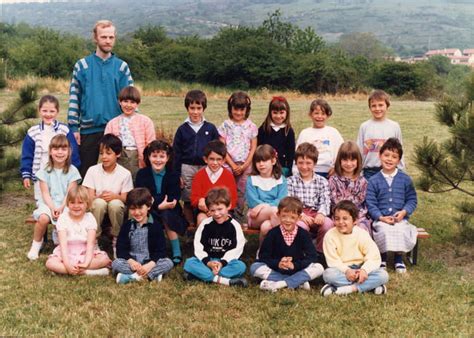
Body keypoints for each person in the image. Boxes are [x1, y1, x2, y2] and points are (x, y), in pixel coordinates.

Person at [68, 20, 134, 178]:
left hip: (116, 129)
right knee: (84, 174)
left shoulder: (121, 67)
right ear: (95, 38)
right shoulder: (82, 66)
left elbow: (131, 99)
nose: (108, 41)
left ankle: (115, 203)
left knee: (117, 176)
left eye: (111, 37)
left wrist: (131, 125)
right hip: (89, 128)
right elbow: (74, 98)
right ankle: (83, 202)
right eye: (104, 37)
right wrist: (74, 128)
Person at [250, 197, 324, 292]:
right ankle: (298, 282)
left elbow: (312, 257)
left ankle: (279, 284)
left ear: (299, 218)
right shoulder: (272, 233)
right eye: (284, 216)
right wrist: (278, 263)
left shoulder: (303, 234)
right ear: (278, 215)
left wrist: (294, 265)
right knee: (254, 267)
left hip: (296, 268)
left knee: (319, 267)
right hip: (277, 269)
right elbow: (263, 256)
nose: (288, 220)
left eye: (292, 217)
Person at [366, 138, 417, 273]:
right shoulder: (373, 180)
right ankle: (382, 257)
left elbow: (412, 200)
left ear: (399, 160)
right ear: (380, 156)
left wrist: (404, 212)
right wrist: (380, 217)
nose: (389, 159)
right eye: (386, 155)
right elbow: (371, 203)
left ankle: (398, 259)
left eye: (394, 157)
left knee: (400, 229)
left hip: (400, 219)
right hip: (381, 219)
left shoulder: (405, 179)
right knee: (382, 230)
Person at [27, 135, 82, 260]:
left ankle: (61, 238)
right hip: (48, 203)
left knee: (69, 216)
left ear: (69, 152)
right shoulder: (44, 171)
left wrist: (62, 207)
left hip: (67, 203)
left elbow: (71, 193)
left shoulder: (72, 171)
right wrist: (52, 208)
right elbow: (45, 193)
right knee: (43, 218)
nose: (60, 152)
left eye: (63, 149)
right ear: (50, 151)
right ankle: (36, 244)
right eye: (56, 149)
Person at [135, 140, 188, 266]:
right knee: (149, 216)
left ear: (168, 158)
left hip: (170, 209)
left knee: (166, 215)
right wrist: (157, 205)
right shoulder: (142, 174)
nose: (158, 160)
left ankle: (176, 252)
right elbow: (141, 196)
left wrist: (155, 201)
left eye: (162, 156)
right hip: (147, 208)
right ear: (148, 157)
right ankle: (153, 251)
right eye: (154, 156)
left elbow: (173, 198)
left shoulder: (173, 175)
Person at [321, 200, 389, 296]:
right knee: (328, 275)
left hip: (361, 267)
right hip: (342, 270)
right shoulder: (330, 235)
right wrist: (347, 270)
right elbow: (333, 261)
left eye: (345, 218)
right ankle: (370, 286)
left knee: (383, 275)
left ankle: (349, 288)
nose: (341, 222)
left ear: (355, 220)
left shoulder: (361, 234)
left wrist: (364, 270)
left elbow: (373, 256)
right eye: (337, 218)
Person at [183, 188, 248, 287]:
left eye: (220, 209)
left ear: (229, 206)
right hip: (207, 262)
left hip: (226, 263)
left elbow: (236, 249)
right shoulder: (205, 224)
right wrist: (208, 262)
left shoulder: (235, 226)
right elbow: (199, 246)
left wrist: (222, 263)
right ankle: (224, 281)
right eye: (212, 210)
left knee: (240, 266)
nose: (216, 214)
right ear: (208, 210)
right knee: (189, 263)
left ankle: (201, 276)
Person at [172, 89, 219, 227]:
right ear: (187, 108)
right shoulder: (182, 129)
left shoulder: (210, 128)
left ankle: (207, 224)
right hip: (187, 168)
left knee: (206, 197)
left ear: (203, 108)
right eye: (192, 108)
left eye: (199, 108)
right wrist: (177, 174)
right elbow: (176, 153)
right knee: (188, 198)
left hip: (206, 168)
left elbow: (216, 150)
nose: (195, 112)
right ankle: (191, 225)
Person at [21, 95, 80, 202]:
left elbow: (73, 152)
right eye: (44, 111)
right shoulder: (33, 132)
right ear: (39, 111)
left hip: (62, 173)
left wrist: (73, 170)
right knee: (44, 201)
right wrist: (26, 174)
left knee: (63, 201)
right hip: (41, 173)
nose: (48, 114)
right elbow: (27, 155)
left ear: (57, 112)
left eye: (52, 111)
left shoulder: (64, 130)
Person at [82, 134, 133, 254]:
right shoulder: (93, 170)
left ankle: (117, 239)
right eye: (101, 153)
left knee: (115, 204)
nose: (104, 157)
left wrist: (115, 196)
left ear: (118, 154)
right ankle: (94, 238)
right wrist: (99, 197)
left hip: (116, 206)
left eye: (108, 153)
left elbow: (126, 198)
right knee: (99, 203)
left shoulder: (125, 173)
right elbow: (89, 197)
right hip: (96, 205)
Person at [112, 188, 174, 284]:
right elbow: (121, 249)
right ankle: (151, 276)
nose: (137, 212)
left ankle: (135, 277)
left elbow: (161, 250)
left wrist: (150, 265)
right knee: (116, 263)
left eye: (140, 208)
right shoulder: (127, 225)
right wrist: (131, 261)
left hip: (150, 262)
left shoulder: (156, 225)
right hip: (132, 263)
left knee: (168, 263)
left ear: (148, 206)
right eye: (133, 209)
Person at [45, 186, 111, 276]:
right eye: (72, 202)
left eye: (80, 203)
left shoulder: (90, 218)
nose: (76, 206)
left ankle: (71, 270)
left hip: (86, 251)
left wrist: (86, 263)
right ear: (68, 204)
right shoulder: (63, 218)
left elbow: (90, 244)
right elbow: (63, 245)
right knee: (50, 263)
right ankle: (85, 271)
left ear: (87, 204)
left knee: (104, 259)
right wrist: (67, 265)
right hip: (67, 251)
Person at [287, 142, 333, 255]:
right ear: (296, 163)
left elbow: (325, 200)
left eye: (308, 163)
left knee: (327, 224)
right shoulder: (291, 181)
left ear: (315, 163)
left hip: (317, 213)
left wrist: (321, 213)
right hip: (299, 214)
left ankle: (319, 251)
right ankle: (304, 250)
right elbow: (289, 202)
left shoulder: (322, 181)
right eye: (300, 163)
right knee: (300, 226)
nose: (304, 167)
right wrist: (301, 215)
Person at [218, 91, 258, 220]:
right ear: (231, 108)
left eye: (242, 110)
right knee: (227, 190)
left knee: (242, 192)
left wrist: (246, 164)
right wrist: (232, 164)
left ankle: (238, 217)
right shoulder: (225, 125)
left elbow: (253, 148)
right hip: (228, 164)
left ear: (247, 110)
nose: (239, 113)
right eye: (236, 109)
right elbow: (222, 148)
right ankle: (226, 215)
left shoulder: (251, 126)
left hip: (245, 165)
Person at [104, 86, 155, 180]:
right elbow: (106, 145)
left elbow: (151, 144)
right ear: (120, 102)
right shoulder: (112, 123)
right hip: (119, 157)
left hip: (138, 157)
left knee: (136, 181)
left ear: (138, 104)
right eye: (125, 101)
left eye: (132, 102)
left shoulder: (146, 121)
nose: (128, 105)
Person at [356, 89, 404, 179]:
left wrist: (400, 170)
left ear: (387, 106)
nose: (377, 109)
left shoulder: (394, 126)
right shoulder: (364, 126)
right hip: (369, 172)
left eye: (381, 105)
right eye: (373, 106)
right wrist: (359, 171)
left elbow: (400, 150)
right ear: (370, 108)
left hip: (390, 171)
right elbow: (359, 150)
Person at [246, 144, 287, 245]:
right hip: (255, 216)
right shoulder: (252, 180)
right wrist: (264, 206)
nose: (261, 164)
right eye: (258, 161)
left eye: (264, 161)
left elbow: (282, 201)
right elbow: (253, 202)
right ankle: (284, 247)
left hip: (275, 215)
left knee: (266, 226)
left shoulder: (281, 179)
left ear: (273, 161)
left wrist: (263, 205)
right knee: (274, 211)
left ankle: (262, 252)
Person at [190, 140, 238, 226]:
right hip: (204, 211)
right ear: (205, 159)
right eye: (211, 159)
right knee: (202, 219)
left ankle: (224, 239)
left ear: (223, 160)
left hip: (224, 211)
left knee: (226, 221)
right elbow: (194, 199)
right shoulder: (199, 175)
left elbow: (233, 200)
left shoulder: (228, 175)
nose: (215, 163)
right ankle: (204, 239)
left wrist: (219, 211)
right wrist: (205, 206)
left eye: (218, 159)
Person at [328, 141, 371, 233]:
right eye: (345, 160)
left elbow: (365, 205)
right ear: (339, 161)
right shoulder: (333, 180)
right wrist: (343, 219)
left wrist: (355, 219)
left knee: (361, 230)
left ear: (358, 161)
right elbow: (334, 203)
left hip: (358, 218)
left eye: (352, 160)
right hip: (339, 218)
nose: (348, 163)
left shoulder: (363, 182)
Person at [295, 99, 343, 178]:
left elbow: (342, 153)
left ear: (327, 115)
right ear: (310, 114)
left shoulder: (333, 132)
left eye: (323, 114)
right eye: (316, 113)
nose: (319, 116)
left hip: (329, 173)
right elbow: (297, 156)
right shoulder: (305, 133)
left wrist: (336, 167)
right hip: (308, 171)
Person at [257, 96, 295, 177]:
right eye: (275, 112)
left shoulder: (288, 131)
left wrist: (289, 169)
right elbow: (258, 148)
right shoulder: (264, 129)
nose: (278, 116)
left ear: (287, 112)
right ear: (270, 112)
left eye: (281, 112)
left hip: (282, 168)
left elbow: (291, 153)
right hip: (265, 167)